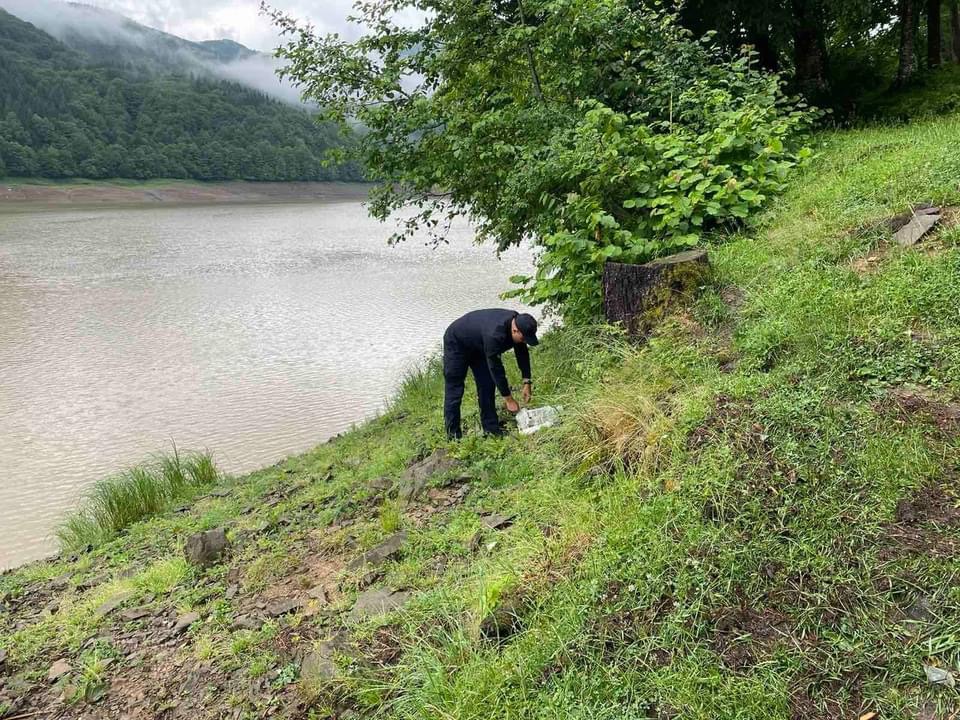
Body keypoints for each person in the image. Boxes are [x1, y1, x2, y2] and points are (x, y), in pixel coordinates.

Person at [442, 309, 539, 439]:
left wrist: (527, 382)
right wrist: (508, 399)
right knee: (454, 389)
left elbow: (522, 354)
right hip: (457, 343)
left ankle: (491, 429)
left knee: (487, 385)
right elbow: (496, 368)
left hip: (480, 345)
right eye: (523, 339)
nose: (524, 342)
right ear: (515, 330)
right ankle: (453, 436)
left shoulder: (519, 322)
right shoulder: (495, 334)